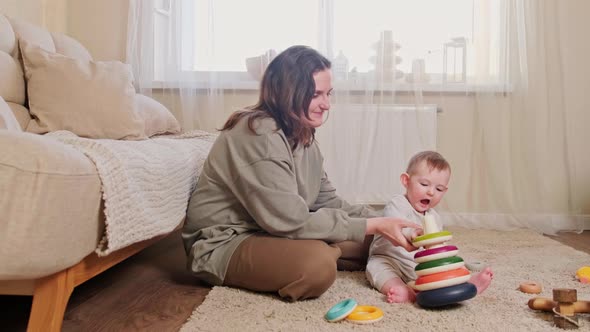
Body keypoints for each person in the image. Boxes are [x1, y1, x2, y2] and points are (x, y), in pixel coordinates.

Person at [182, 45, 421, 302]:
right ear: (289, 92)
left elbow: (327, 201)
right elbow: (290, 220)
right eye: (316, 94)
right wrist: (370, 226)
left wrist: (387, 221)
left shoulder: (303, 135)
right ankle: (318, 250)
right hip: (225, 243)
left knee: (376, 241)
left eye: (328, 94)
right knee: (318, 265)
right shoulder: (260, 134)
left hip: (269, 230)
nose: (327, 104)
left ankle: (318, 247)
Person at [365, 151, 494, 303]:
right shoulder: (398, 204)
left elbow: (437, 250)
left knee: (439, 273)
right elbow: (396, 225)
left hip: (417, 266)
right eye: (424, 184)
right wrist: (411, 233)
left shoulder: (434, 218)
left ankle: (466, 286)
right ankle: (403, 290)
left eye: (439, 189)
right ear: (406, 181)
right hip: (389, 259)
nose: (431, 192)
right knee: (376, 268)